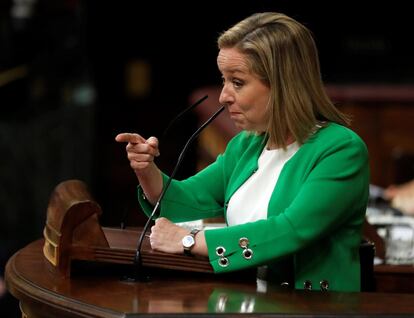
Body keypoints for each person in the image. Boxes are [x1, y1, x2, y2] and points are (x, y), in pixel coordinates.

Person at [115, 12, 369, 292]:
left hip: (312, 309)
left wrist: (188, 241)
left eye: (237, 82)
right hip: (245, 300)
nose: (223, 96)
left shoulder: (341, 151)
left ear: (284, 84)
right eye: (223, 81)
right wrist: (146, 169)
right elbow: (188, 200)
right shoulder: (247, 144)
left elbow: (291, 230)